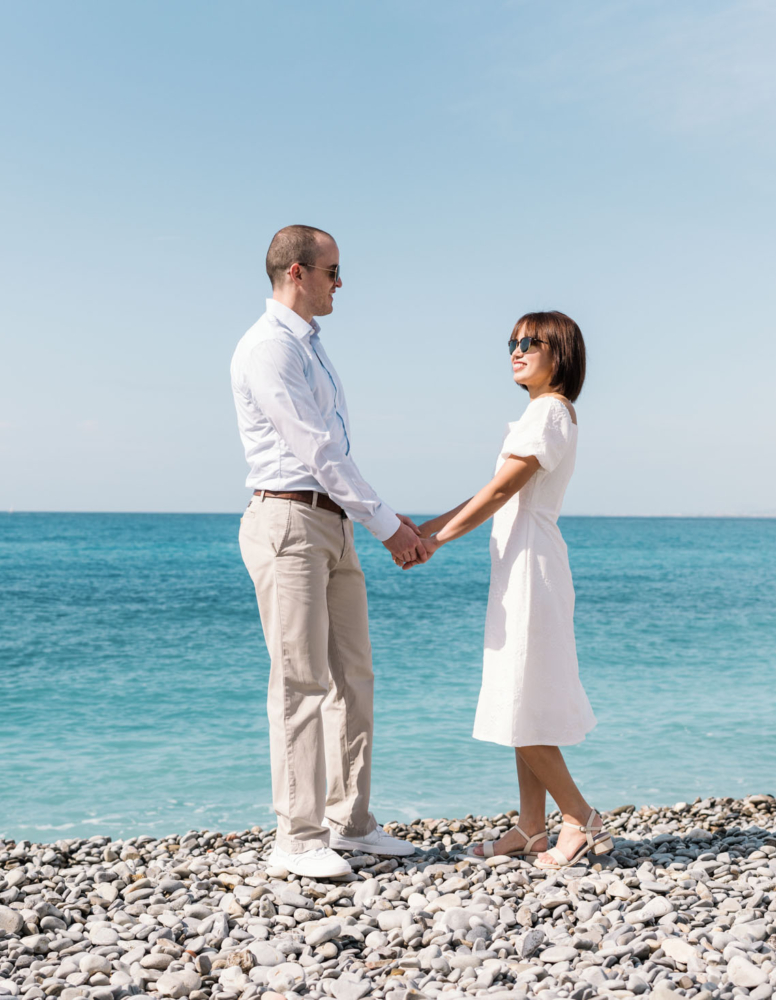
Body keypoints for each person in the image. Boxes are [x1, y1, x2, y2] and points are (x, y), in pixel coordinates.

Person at [229, 225, 427, 878]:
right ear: (297, 273)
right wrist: (391, 526)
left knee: (354, 677)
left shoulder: (311, 348)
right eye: (334, 271)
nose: (340, 284)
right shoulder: (268, 350)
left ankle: (352, 824)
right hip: (289, 522)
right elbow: (315, 450)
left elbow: (332, 456)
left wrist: (364, 521)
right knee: (301, 682)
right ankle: (296, 837)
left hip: (332, 525)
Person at [416, 311, 611, 869]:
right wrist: (424, 528)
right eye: (512, 342)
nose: (517, 350)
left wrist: (438, 541)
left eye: (532, 342)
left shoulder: (549, 412)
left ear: (561, 354)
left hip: (532, 569)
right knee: (525, 699)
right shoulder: (540, 414)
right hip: (524, 563)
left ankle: (581, 817)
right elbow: (491, 490)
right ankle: (531, 828)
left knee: (521, 702)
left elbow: (502, 491)